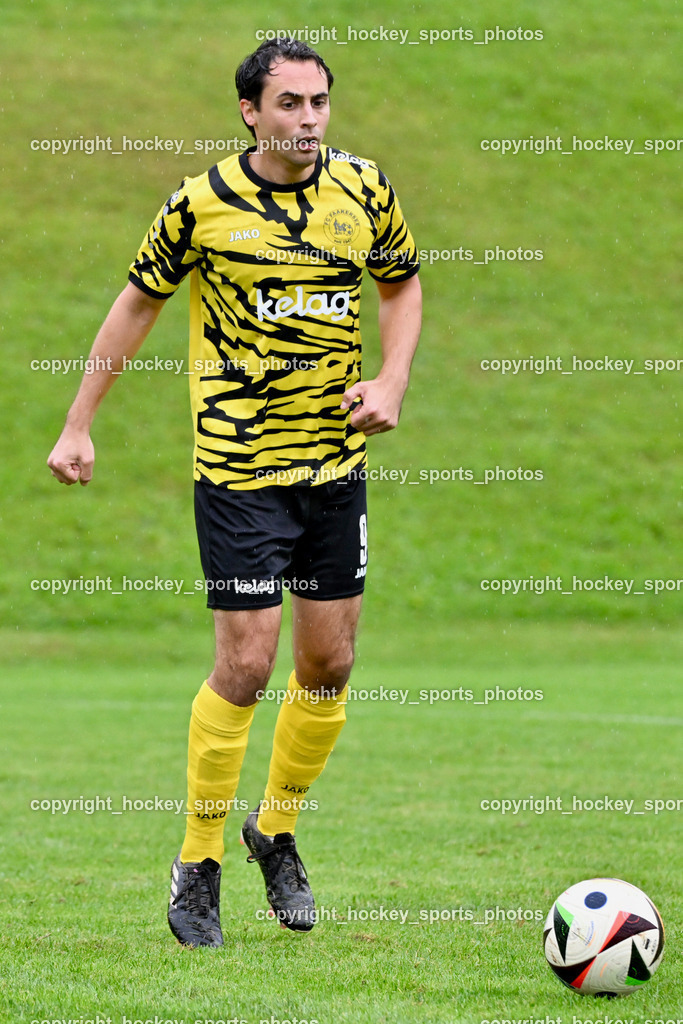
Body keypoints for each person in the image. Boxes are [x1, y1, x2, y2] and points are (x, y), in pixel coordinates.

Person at [47, 36, 422, 947]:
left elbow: (402, 285)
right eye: (289, 104)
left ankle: (276, 833)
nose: (307, 121)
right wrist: (77, 421)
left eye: (319, 103)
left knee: (327, 667)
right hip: (239, 471)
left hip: (334, 468)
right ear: (249, 111)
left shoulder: (363, 190)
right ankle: (198, 860)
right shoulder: (200, 205)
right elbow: (136, 303)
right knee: (248, 668)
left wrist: (392, 382)